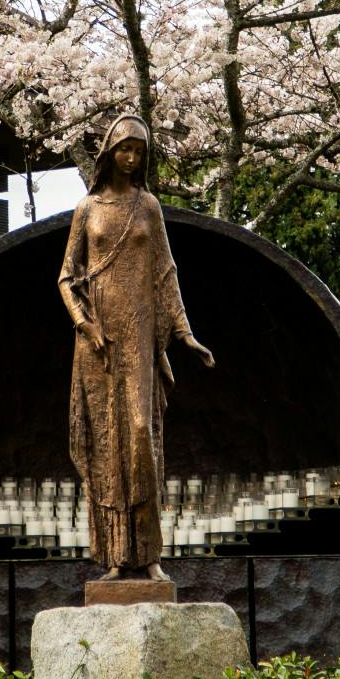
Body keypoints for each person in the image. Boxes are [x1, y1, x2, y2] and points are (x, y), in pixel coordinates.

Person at [57, 114, 215, 581]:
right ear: (110, 152)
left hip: (140, 339)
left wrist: (185, 334)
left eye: (139, 152)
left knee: (141, 437)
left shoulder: (149, 206)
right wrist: (86, 325)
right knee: (107, 447)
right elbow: (66, 278)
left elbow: (166, 273)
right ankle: (112, 558)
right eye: (124, 149)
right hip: (98, 345)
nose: (131, 158)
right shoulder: (87, 209)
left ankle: (148, 556)